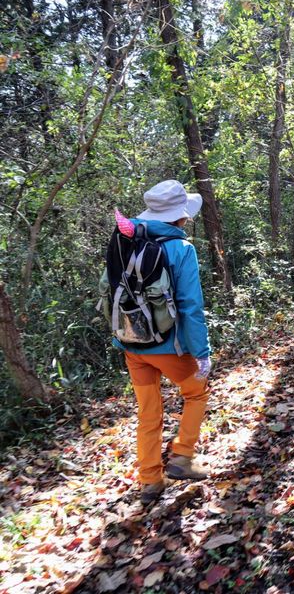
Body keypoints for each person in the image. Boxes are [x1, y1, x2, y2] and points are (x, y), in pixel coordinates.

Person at [115, 180, 212, 504]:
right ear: (179, 217)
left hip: (132, 344)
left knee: (148, 412)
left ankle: (150, 481)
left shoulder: (125, 239)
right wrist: (201, 352)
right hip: (168, 347)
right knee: (197, 392)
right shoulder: (181, 249)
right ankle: (183, 457)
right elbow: (190, 305)